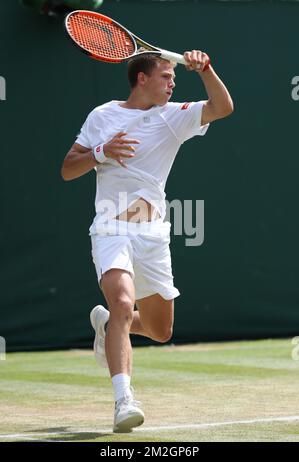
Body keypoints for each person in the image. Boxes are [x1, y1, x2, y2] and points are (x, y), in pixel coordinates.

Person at [61, 50, 233, 433]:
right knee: (122, 302)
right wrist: (101, 152)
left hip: (153, 234)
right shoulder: (102, 116)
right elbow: (68, 170)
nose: (173, 84)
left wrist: (206, 68)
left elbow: (223, 107)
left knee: (160, 330)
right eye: (166, 77)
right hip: (110, 229)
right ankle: (124, 401)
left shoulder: (174, 117)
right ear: (142, 78)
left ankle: (108, 325)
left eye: (174, 78)